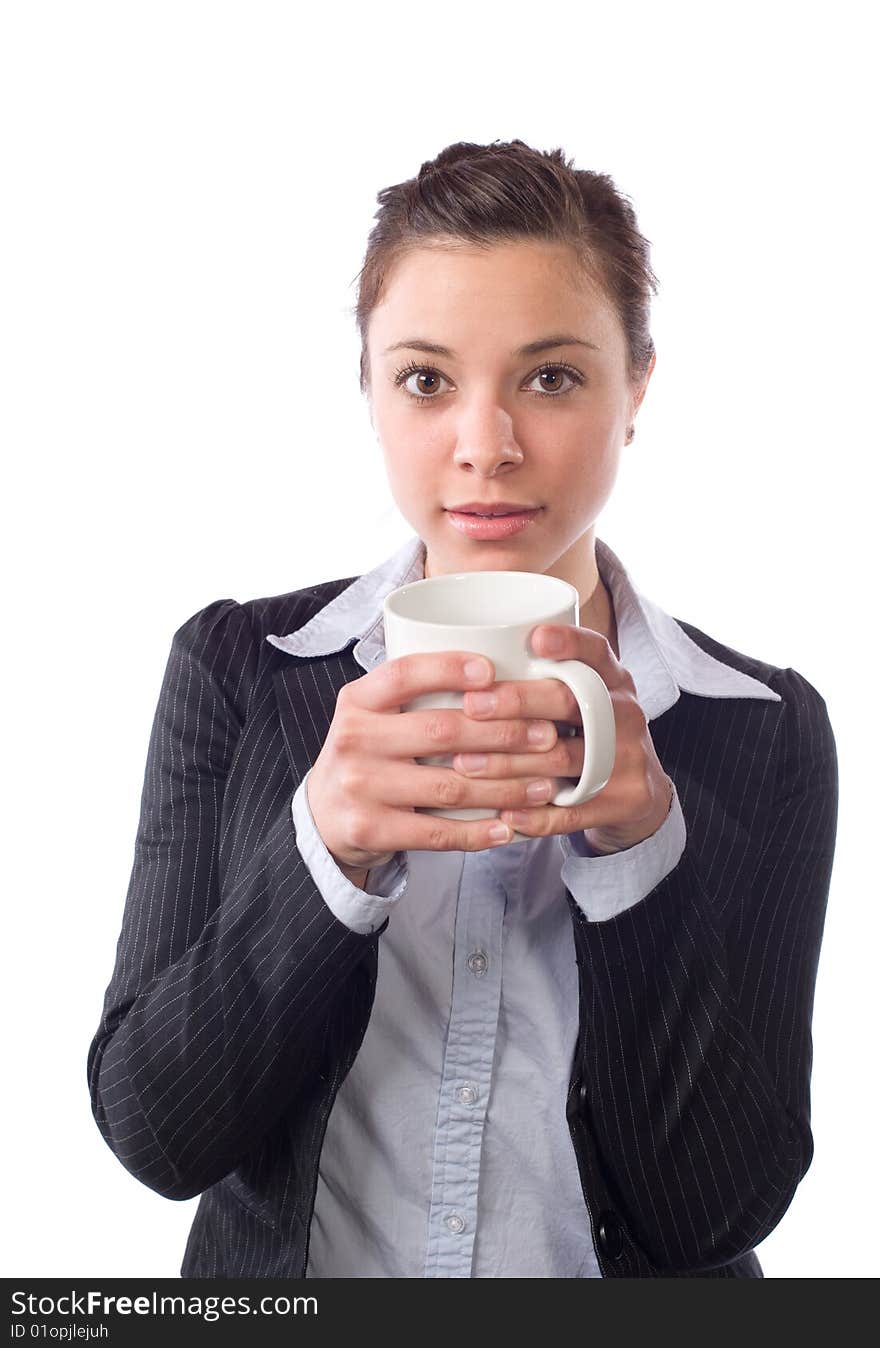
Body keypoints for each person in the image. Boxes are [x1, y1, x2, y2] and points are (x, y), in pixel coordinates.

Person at [87, 139, 839, 1279]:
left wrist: (639, 851)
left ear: (635, 385)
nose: (484, 448)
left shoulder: (760, 726)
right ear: (370, 392)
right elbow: (156, 1131)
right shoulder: (243, 668)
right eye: (427, 380)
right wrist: (324, 856)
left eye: (551, 376)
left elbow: (716, 1213)